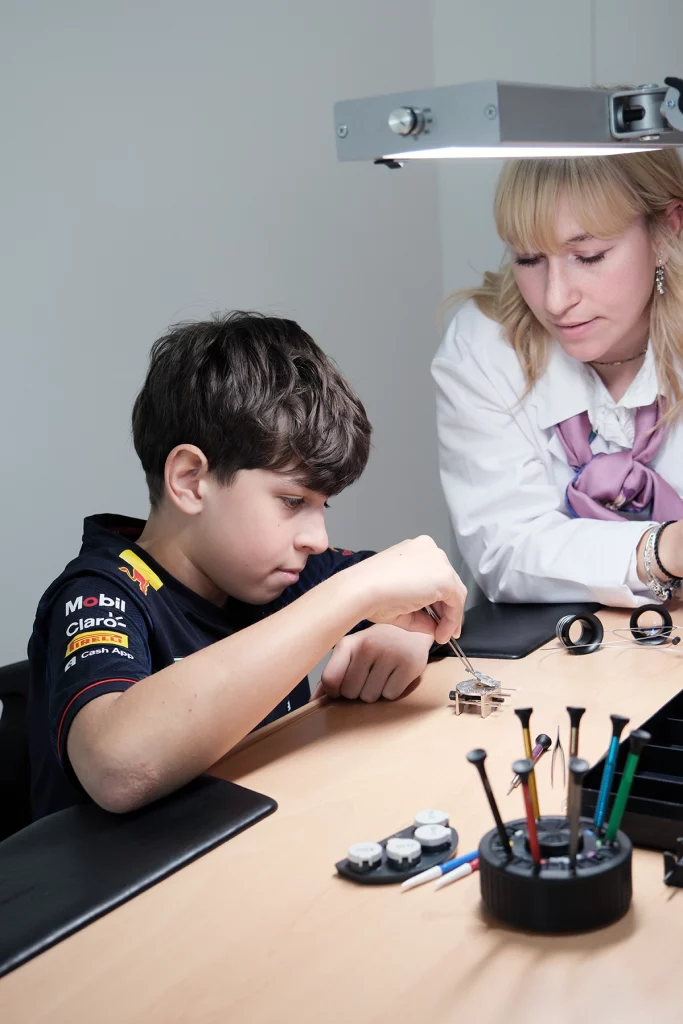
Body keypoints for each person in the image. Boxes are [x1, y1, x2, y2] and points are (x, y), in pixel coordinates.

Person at [28, 313, 465, 820]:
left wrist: (408, 636)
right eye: (292, 501)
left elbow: (425, 599)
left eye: (323, 505)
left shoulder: (279, 572)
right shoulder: (99, 594)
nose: (318, 539)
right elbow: (116, 766)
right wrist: (352, 597)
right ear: (190, 481)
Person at [432, 149, 683, 607]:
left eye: (588, 256)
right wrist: (666, 550)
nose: (555, 299)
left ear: (667, 229)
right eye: (528, 259)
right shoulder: (485, 343)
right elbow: (505, 550)